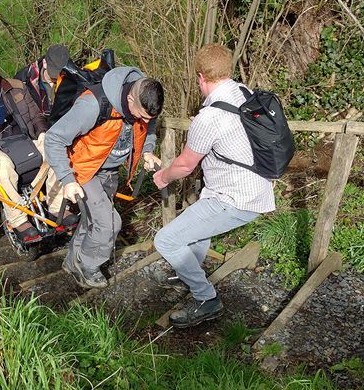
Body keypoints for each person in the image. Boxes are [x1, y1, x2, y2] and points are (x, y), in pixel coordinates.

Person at [153, 44, 275, 328]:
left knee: (166, 240)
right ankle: (188, 272)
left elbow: (184, 166)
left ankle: (207, 299)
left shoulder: (209, 118)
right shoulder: (244, 94)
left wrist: (162, 177)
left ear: (200, 77)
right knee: (197, 225)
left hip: (233, 199)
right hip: (257, 189)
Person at [45, 68, 164, 289]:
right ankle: (89, 266)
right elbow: (53, 138)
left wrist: (147, 150)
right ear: (130, 98)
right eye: (141, 116)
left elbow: (150, 126)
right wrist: (67, 178)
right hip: (84, 169)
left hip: (110, 171)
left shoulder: (143, 99)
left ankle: (72, 262)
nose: (144, 121)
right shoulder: (93, 104)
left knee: (94, 220)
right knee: (109, 223)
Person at [0, 48, 76, 243]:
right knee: (2, 164)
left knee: (53, 149)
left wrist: (43, 133)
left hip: (24, 139)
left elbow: (36, 116)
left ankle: (56, 205)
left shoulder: (17, 86)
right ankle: (18, 219)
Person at [14, 44, 70, 117]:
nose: (58, 78)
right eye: (54, 74)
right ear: (45, 63)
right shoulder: (24, 80)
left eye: (61, 73)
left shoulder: (73, 79)